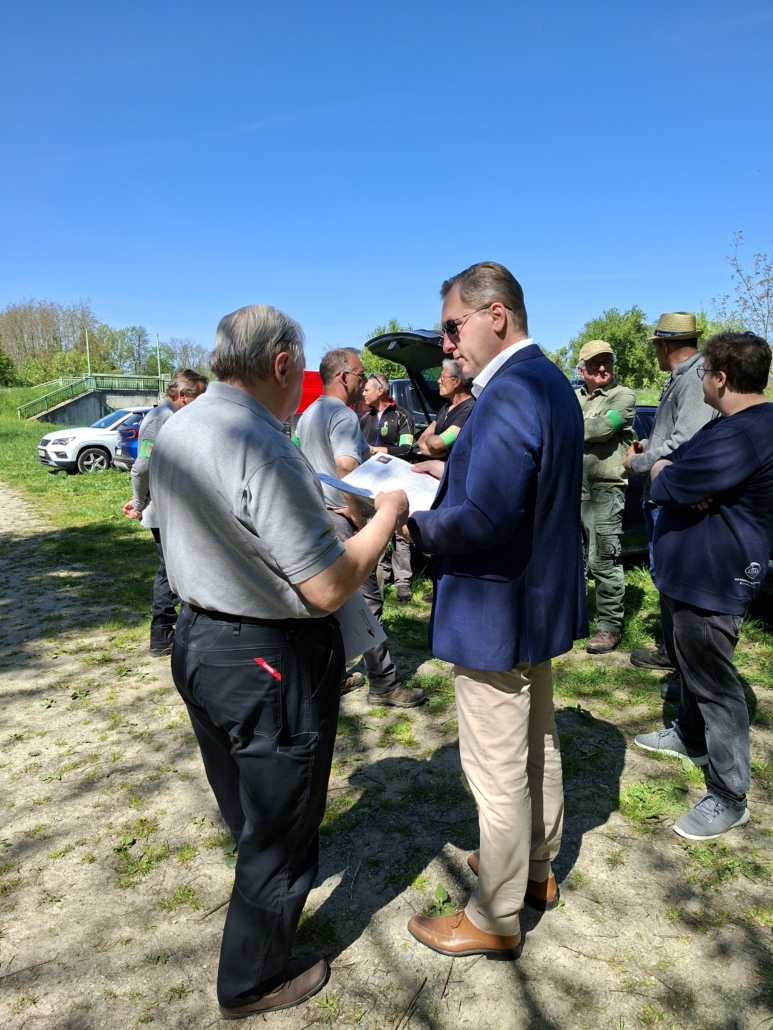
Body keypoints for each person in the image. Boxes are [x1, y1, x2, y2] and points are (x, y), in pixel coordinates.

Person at [149, 305, 409, 1017]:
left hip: (200, 639)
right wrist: (387, 514)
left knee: (246, 800)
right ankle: (252, 980)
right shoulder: (258, 441)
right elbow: (325, 585)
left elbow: (189, 525)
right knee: (279, 826)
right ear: (283, 363)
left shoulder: (181, 425)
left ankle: (263, 895)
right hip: (266, 655)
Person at [402, 262, 587, 959]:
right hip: (531, 605)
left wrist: (413, 526)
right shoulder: (548, 382)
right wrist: (449, 472)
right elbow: (521, 489)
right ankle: (533, 870)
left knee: (496, 768)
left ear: (496, 315)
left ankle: (495, 916)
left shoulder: (509, 390)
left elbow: (485, 516)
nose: (447, 344)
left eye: (452, 327)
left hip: (494, 609)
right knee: (536, 743)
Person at [634, 331, 773, 840]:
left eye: (706, 372)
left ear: (721, 378)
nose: (703, 381)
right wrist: (670, 472)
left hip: (713, 578)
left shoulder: (749, 432)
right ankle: (690, 736)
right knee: (690, 662)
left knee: (716, 685)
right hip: (688, 574)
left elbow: (670, 481)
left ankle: (729, 796)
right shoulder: (725, 424)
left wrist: (669, 475)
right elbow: (675, 470)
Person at [296, 349, 425, 708]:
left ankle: (334, 675)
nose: (364, 382)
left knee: (332, 603)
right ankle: (384, 682)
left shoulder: (309, 414)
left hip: (316, 516)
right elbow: (345, 465)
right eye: (360, 374)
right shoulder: (342, 414)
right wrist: (358, 517)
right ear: (343, 377)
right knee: (367, 599)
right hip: (341, 517)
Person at [624, 312, 715, 702]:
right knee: (665, 580)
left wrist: (638, 462)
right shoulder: (683, 377)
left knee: (679, 585)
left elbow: (685, 443)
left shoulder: (695, 380)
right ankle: (673, 654)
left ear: (662, 345)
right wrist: (649, 445)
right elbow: (674, 435)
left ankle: (688, 674)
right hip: (664, 495)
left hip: (676, 500)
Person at [122, 369, 208, 656]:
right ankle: (162, 636)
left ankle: (180, 632)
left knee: (177, 569)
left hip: (173, 508)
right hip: (166, 514)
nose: (203, 403)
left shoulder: (172, 416)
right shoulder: (161, 419)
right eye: (200, 397)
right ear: (182, 395)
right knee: (169, 573)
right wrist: (138, 502)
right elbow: (142, 467)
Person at [576, 341, 636, 653]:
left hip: (605, 490)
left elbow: (601, 428)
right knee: (571, 560)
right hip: (572, 491)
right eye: (594, 363)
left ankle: (609, 627)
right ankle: (570, 617)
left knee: (604, 559)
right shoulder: (573, 397)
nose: (602, 368)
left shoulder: (622, 396)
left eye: (607, 362)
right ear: (581, 370)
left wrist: (565, 427)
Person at [360, 372, 416, 602]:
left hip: (397, 481)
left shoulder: (402, 415)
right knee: (376, 526)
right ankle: (380, 575)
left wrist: (376, 450)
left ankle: (403, 582)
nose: (363, 393)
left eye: (367, 389)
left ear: (380, 391)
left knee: (400, 531)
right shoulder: (365, 419)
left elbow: (406, 450)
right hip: (372, 483)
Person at [417, 358, 475, 461]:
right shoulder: (446, 407)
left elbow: (438, 443)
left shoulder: (469, 409)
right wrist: (431, 445)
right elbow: (421, 442)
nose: (438, 381)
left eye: (443, 377)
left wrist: (428, 439)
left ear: (456, 382)